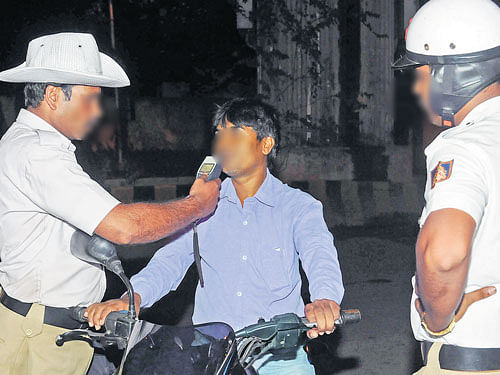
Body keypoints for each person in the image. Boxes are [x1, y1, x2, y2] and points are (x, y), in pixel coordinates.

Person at [0, 32, 220, 375]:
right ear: (54, 96)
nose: (98, 111)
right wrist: (198, 205)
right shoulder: (37, 154)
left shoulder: (32, 146)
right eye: (90, 99)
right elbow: (124, 227)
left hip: (66, 328)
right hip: (43, 339)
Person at [87, 98, 345, 375]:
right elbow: (170, 260)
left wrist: (325, 299)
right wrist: (134, 296)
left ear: (266, 144)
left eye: (236, 133)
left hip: (280, 356)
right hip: (213, 353)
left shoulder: (298, 207)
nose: (224, 144)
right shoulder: (203, 205)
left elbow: (320, 256)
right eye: (220, 134)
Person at [393, 0, 500, 373]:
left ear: (452, 74)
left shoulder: (466, 146)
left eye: (420, 75)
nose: (417, 91)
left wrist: (437, 318)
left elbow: (442, 255)